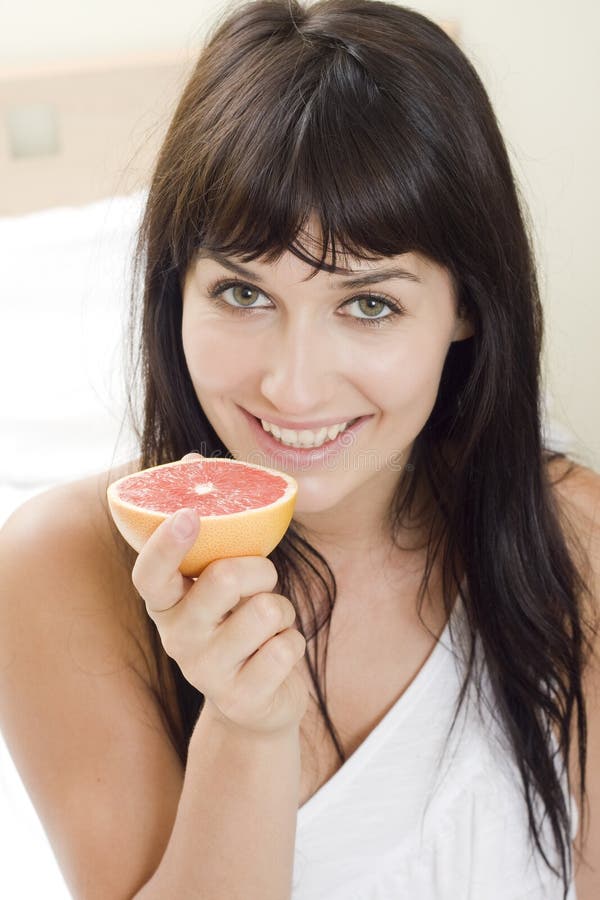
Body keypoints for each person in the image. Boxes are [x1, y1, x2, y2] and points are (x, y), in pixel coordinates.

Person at [0, 0, 598, 897]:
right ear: (176, 292)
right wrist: (246, 726)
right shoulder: (60, 568)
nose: (294, 387)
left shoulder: (579, 540)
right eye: (243, 293)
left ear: (467, 308)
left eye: (369, 305)